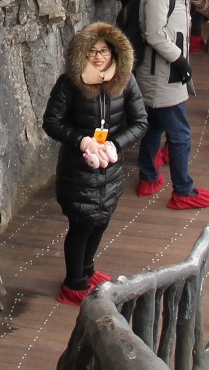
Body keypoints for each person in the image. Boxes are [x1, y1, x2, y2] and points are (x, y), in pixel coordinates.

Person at [42, 23, 147, 304]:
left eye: (104, 51)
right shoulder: (69, 84)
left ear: (114, 53)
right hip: (78, 169)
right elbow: (51, 123)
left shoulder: (125, 81)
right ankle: (74, 282)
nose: (98, 57)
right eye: (92, 51)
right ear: (82, 55)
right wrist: (82, 141)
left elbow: (140, 122)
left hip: (109, 168)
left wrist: (115, 144)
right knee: (81, 224)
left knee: (101, 220)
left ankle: (87, 270)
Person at [131, 0, 209, 210]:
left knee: (154, 128)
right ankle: (183, 190)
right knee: (180, 134)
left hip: (163, 72)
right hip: (162, 75)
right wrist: (180, 60)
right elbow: (155, 34)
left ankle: (149, 177)